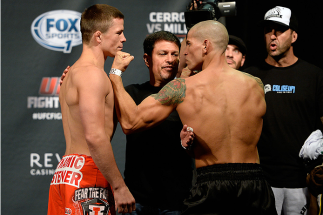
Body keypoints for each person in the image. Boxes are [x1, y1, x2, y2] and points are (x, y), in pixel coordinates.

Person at [109, 20, 277, 214]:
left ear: (205, 45)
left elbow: (130, 122)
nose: (184, 52)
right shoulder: (255, 84)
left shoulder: (182, 88)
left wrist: (115, 75)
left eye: (188, 44)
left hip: (212, 186)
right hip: (254, 185)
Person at [47, 4, 135, 215]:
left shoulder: (71, 75)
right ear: (98, 36)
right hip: (88, 173)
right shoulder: (92, 75)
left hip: (65, 173)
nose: (124, 39)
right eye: (119, 32)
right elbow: (95, 135)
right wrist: (119, 186)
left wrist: (114, 74)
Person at [244, 6, 323, 215]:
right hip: (262, 181)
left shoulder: (314, 76)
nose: (272, 36)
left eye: (279, 30)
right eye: (268, 30)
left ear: (294, 36)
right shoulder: (250, 76)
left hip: (302, 181)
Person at [123, 31, 194, 215]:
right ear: (147, 59)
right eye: (163, 54)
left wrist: (189, 144)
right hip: (137, 201)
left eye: (174, 54)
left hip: (177, 202)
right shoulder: (131, 93)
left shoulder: (188, 95)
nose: (170, 59)